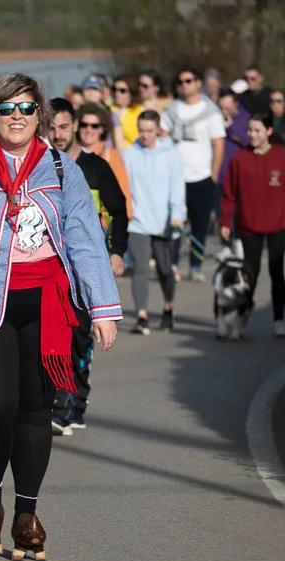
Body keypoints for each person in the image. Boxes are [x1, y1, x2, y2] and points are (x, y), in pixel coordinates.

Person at [0, 73, 121, 561]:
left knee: (36, 408)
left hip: (47, 301)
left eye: (27, 108)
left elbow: (84, 238)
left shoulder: (60, 167)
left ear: (40, 115)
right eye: (7, 109)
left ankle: (26, 514)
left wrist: (102, 308)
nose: (17, 117)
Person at [47, 97, 128, 435]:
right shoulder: (41, 167)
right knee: (57, 337)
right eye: (51, 127)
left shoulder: (94, 168)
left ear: (76, 127)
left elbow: (120, 210)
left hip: (87, 264)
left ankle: (76, 401)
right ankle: (61, 407)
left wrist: (116, 251)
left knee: (81, 338)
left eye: (64, 126)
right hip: (52, 265)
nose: (57, 134)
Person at [220, 113, 285, 338]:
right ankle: (242, 316)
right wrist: (225, 221)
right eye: (250, 130)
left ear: (269, 131)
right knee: (250, 274)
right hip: (248, 224)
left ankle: (279, 320)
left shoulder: (282, 156)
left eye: (257, 130)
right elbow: (229, 193)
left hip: (277, 223)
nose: (252, 135)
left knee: (276, 271)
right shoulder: (240, 158)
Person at [122, 109, 185, 336]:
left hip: (164, 221)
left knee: (165, 269)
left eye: (149, 131)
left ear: (158, 130)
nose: (145, 135)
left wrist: (177, 213)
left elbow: (177, 186)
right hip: (138, 222)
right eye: (141, 131)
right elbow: (124, 186)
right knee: (139, 268)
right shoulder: (130, 153)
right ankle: (142, 316)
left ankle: (168, 306)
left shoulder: (170, 153)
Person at [160, 67, 225, 280]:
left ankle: (196, 266)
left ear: (198, 83)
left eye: (189, 81)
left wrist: (214, 174)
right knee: (176, 224)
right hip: (176, 178)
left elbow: (218, 143)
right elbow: (163, 135)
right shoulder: (171, 109)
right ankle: (173, 265)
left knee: (200, 224)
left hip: (202, 177)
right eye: (181, 81)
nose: (185, 85)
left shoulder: (211, 110)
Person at [75, 102, 132, 220]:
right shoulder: (68, 154)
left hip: (102, 226)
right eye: (84, 125)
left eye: (94, 126)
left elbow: (123, 191)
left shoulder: (111, 155)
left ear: (102, 129)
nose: (88, 130)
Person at [112, 74, 143, 150]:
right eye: (114, 89)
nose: (117, 93)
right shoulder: (109, 109)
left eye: (122, 91)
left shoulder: (140, 111)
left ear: (131, 93)